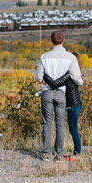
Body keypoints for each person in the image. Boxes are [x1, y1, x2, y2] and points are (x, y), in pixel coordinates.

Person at [34, 30, 82, 161]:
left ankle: (46, 153)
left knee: (47, 123)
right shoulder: (70, 58)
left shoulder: (44, 57)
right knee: (60, 124)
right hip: (61, 93)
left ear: (51, 41)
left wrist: (44, 79)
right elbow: (76, 77)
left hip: (47, 92)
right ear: (63, 40)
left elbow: (38, 77)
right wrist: (80, 82)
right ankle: (59, 154)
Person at [44, 52, 83, 156]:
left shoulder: (69, 75)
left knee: (73, 130)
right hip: (75, 105)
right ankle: (77, 152)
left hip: (73, 106)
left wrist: (44, 74)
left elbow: (54, 84)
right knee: (73, 129)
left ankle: (77, 153)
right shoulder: (74, 74)